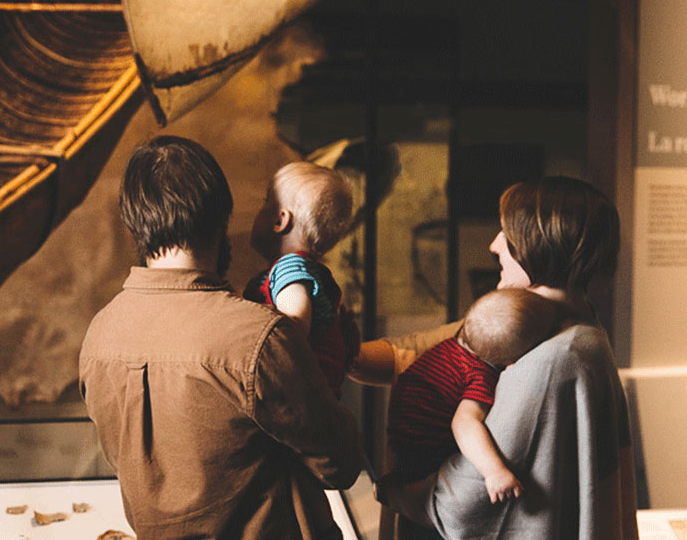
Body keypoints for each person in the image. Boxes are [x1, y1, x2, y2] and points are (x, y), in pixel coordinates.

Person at [79, 136, 364, 540]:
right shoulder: (259, 338)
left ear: (136, 222)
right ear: (220, 217)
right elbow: (342, 463)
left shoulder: (98, 337)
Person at [373, 176, 638, 540]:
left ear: (539, 245)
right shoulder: (584, 331)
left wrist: (404, 494)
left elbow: (467, 502)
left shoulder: (550, 359)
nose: (494, 245)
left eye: (508, 235)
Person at [387, 288, 559, 504]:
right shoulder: (480, 375)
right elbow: (464, 423)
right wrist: (494, 471)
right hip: (425, 456)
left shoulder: (451, 346)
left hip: (402, 442)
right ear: (511, 361)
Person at [244, 161, 357, 399]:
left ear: (279, 220)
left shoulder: (289, 269)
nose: (259, 209)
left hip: (296, 399)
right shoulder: (307, 271)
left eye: (267, 201)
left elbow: (293, 326)